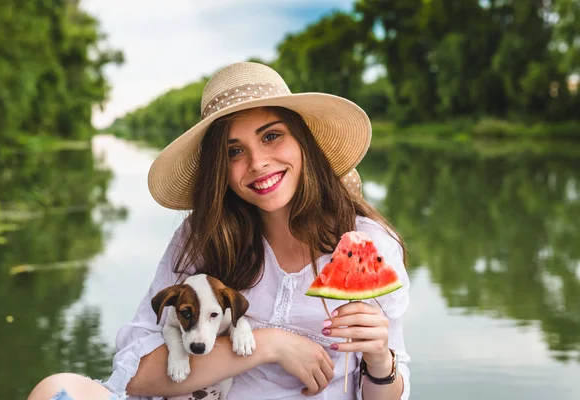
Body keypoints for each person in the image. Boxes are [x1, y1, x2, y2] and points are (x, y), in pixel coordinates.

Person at [28, 62, 411, 400]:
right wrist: (268, 345)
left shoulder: (367, 242)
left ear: (303, 142)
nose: (258, 162)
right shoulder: (203, 236)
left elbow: (386, 396)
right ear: (219, 169)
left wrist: (381, 360)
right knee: (55, 391)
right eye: (234, 151)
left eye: (271, 136)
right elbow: (135, 376)